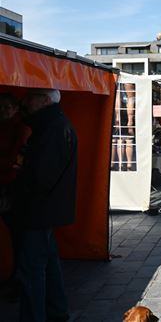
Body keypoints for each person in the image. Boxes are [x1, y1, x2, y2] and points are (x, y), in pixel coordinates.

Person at [11, 88, 78, 322]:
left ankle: (36, 317)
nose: (26, 100)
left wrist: (20, 177)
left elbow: (41, 177)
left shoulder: (53, 129)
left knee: (33, 271)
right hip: (44, 209)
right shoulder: (53, 126)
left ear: (45, 100)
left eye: (32, 96)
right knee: (47, 265)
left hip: (37, 210)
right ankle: (56, 312)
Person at [0, 93, 31, 300]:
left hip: (11, 187)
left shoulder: (22, 129)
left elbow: (16, 160)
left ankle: (17, 277)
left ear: (15, 108)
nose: (3, 111)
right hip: (6, 182)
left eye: (7, 107)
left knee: (17, 235)